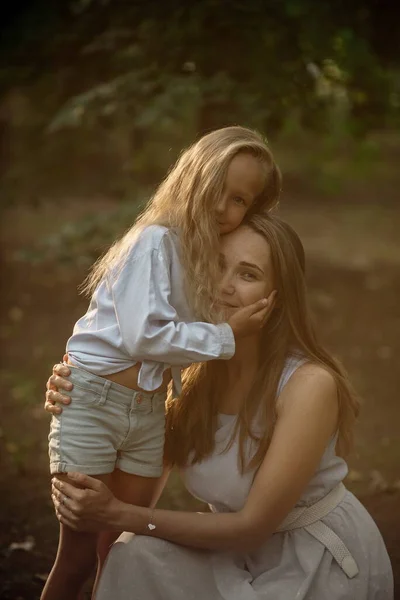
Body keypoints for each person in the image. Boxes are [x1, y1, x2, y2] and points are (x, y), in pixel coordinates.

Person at [46, 214, 393, 599]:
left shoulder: (309, 385)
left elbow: (252, 527)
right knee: (134, 555)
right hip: (232, 556)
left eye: (247, 275)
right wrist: (78, 387)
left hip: (314, 562)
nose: (223, 286)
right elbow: (132, 462)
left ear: (278, 297)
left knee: (131, 534)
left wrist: (117, 515)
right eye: (216, 265)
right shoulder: (187, 372)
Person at [41, 126, 281, 600]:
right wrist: (228, 335)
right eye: (216, 187)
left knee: (118, 549)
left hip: (148, 411)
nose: (222, 207)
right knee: (77, 555)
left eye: (238, 201)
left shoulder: (203, 259)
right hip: (92, 399)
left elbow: (192, 339)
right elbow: (145, 337)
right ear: (191, 174)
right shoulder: (153, 241)